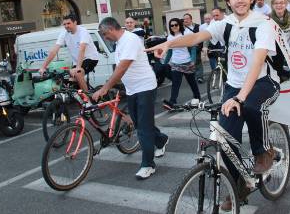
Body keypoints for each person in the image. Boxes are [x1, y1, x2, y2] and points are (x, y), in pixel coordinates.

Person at [147, 0, 280, 210]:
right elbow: (197, 37)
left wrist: (240, 97)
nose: (239, 0)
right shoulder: (226, 23)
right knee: (225, 138)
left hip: (262, 82)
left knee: (249, 105)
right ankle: (241, 185)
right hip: (234, 85)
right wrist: (169, 44)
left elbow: (258, 61)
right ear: (228, 1)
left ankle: (263, 151)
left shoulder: (263, 24)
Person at [92, 17, 168, 180]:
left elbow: (122, 67)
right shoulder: (119, 43)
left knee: (143, 129)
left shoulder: (130, 40)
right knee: (140, 122)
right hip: (132, 89)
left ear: (111, 29)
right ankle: (161, 139)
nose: (105, 38)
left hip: (145, 87)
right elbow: (120, 69)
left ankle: (148, 165)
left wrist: (106, 88)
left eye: (105, 34)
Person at [39, 14, 98, 91]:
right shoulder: (64, 34)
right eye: (64, 24)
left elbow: (82, 49)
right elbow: (54, 51)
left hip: (90, 58)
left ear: (75, 22)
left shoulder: (83, 32)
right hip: (77, 62)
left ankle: (88, 100)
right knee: (67, 79)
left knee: (77, 73)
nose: (66, 26)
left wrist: (78, 67)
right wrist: (43, 67)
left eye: (68, 23)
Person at [162, 18, 201, 111]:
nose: (174, 27)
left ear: (179, 25)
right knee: (175, 84)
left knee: (192, 83)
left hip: (187, 62)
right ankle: (172, 103)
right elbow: (170, 51)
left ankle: (197, 97)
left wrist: (193, 60)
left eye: (176, 25)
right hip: (175, 63)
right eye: (172, 25)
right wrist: (165, 62)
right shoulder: (169, 37)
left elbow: (193, 48)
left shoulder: (186, 34)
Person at [183, 13, 204, 83]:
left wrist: (200, 46)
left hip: (195, 47)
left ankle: (199, 77)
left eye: (187, 19)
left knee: (197, 62)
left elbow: (201, 36)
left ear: (191, 19)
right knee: (189, 62)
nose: (185, 20)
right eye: (184, 19)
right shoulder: (182, 28)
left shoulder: (197, 27)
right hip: (186, 48)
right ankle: (193, 76)